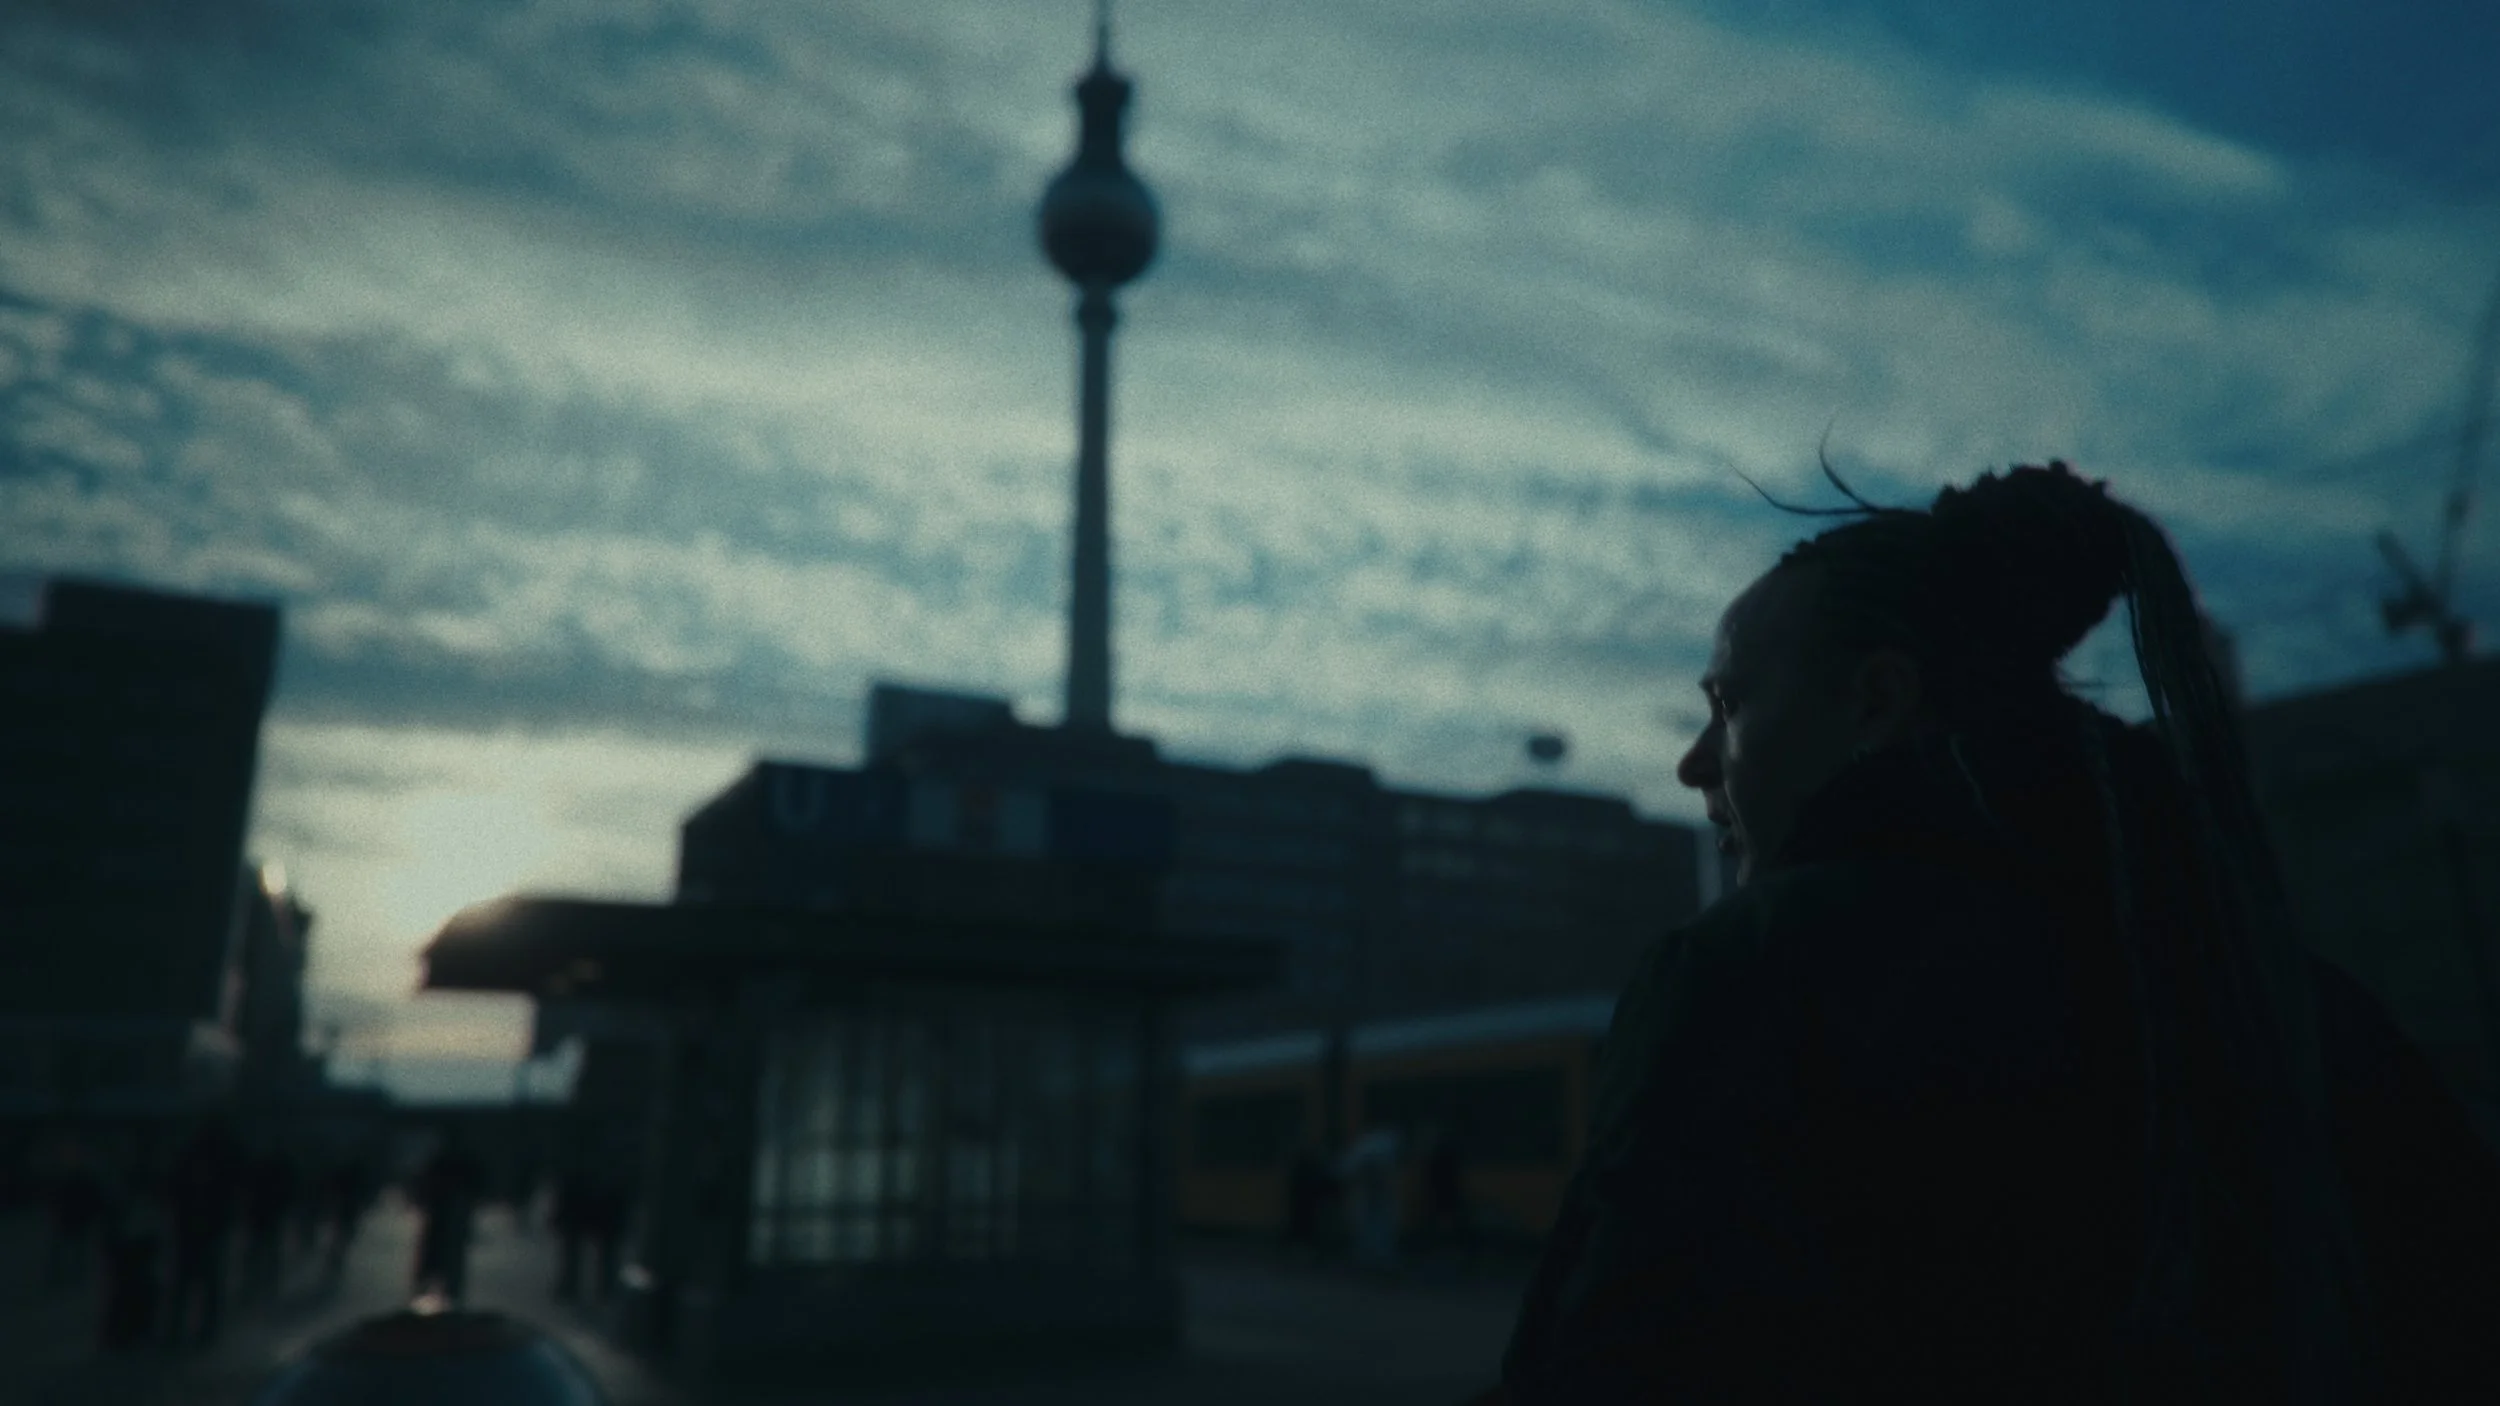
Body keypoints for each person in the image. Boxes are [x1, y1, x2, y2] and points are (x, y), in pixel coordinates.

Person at [1486, 462, 2500, 1404]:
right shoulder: (2286, 1000)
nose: (1694, 763)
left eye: (1727, 703)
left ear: (1876, 700)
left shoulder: (1756, 981)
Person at [163, 1117, 242, 1350]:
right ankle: (200, 1330)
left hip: (195, 1227)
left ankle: (180, 1329)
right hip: (205, 1228)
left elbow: (174, 1188)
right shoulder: (225, 1157)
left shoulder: (192, 1155)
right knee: (204, 1283)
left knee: (187, 1282)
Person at [409, 1128, 489, 1303]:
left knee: (439, 1254)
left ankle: (433, 1288)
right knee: (447, 1255)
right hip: (448, 1213)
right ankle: (444, 1289)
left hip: (446, 1213)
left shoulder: (444, 1161)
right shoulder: (460, 1161)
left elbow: (426, 1183)